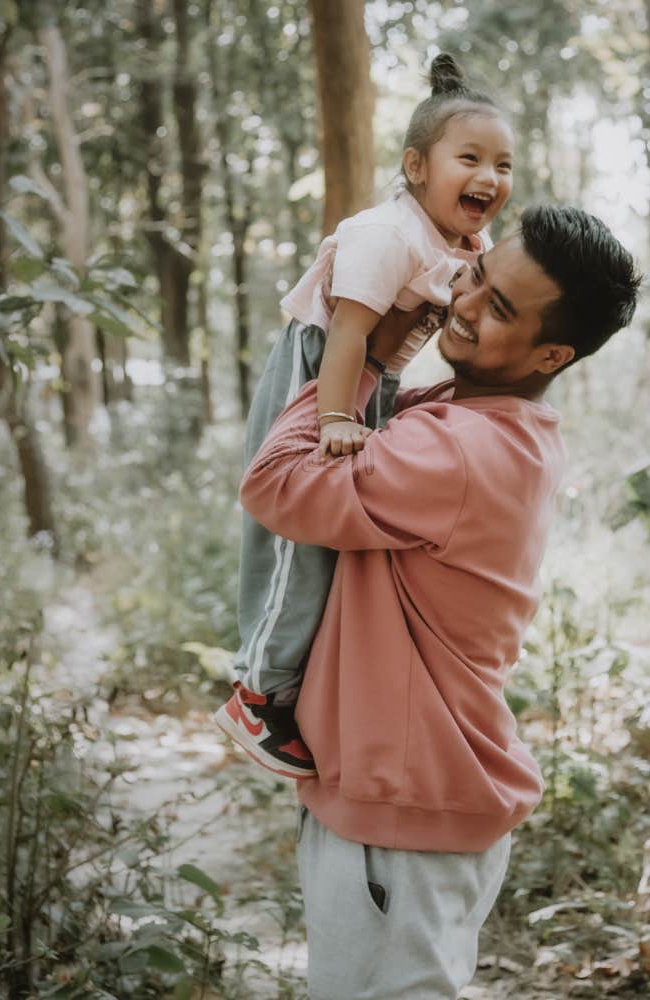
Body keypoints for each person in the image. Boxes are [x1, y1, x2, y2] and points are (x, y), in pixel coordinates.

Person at [234, 204, 641, 999]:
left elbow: (275, 483)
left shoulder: (458, 447)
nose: (464, 305)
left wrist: (362, 359)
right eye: (476, 279)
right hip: (398, 799)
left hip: (403, 814)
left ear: (552, 352)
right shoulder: (483, 422)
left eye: (499, 309)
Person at [214, 53, 516, 778]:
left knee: (345, 535)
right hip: (320, 371)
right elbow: (347, 333)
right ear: (416, 166)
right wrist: (330, 421)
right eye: (469, 158)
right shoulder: (388, 233)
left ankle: (297, 680)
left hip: (368, 381)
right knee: (300, 539)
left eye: (504, 165)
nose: (491, 178)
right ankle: (255, 693)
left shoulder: (467, 244)